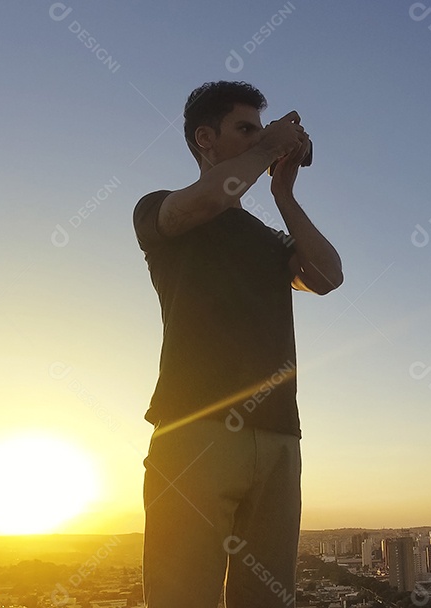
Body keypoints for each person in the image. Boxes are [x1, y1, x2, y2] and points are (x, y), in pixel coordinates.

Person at [132, 80, 343, 608]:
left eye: (259, 129)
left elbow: (328, 275)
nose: (259, 137)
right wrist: (271, 147)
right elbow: (206, 201)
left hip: (277, 438)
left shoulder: (269, 241)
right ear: (205, 138)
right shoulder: (161, 210)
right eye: (244, 129)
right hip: (194, 432)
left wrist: (284, 193)